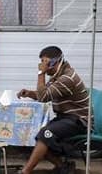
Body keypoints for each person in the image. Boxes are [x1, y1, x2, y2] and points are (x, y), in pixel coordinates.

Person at [17, 46, 90, 174]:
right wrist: (29, 93)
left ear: (54, 62)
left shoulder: (67, 78)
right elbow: (44, 95)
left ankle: (26, 171)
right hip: (66, 118)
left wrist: (41, 73)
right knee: (39, 135)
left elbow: (43, 96)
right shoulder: (58, 76)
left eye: (45, 62)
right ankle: (63, 166)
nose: (42, 66)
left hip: (79, 121)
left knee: (45, 133)